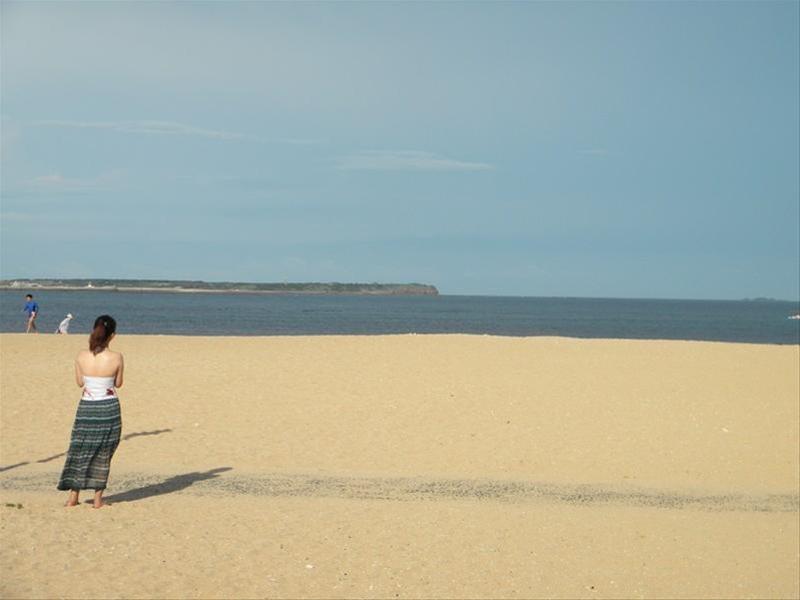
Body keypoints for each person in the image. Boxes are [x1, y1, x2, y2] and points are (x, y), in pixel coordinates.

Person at [58, 315, 124, 509]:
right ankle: (97, 500)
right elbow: (118, 383)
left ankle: (73, 496)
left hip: (87, 407)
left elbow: (79, 383)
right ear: (112, 335)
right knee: (104, 452)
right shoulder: (117, 357)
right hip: (108, 407)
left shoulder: (81, 355)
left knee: (79, 449)